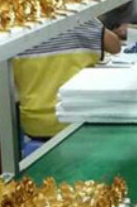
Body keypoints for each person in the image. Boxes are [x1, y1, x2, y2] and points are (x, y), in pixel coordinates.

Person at [13, 12, 124, 150]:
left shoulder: (17, 30)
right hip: (76, 118)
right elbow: (115, 46)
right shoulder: (81, 22)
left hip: (36, 124)